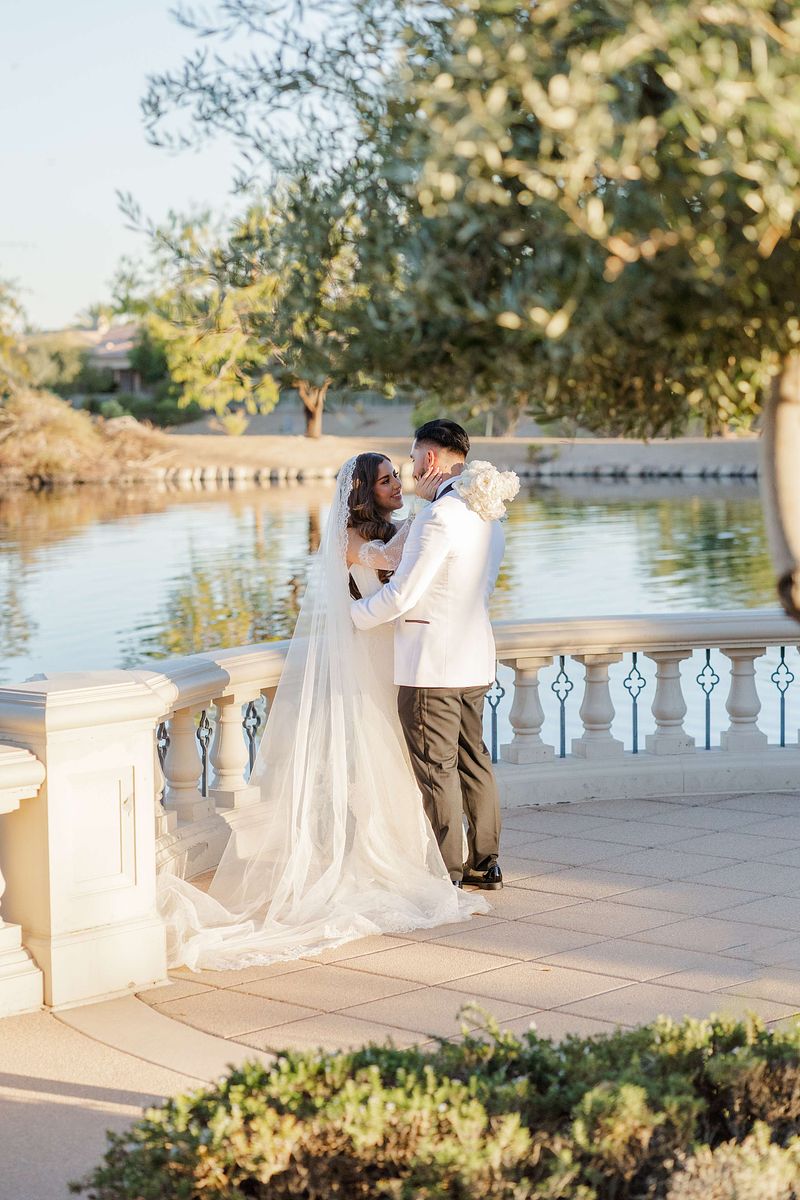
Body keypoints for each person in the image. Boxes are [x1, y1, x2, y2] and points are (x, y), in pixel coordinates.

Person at [157, 451, 488, 971]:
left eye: (398, 476)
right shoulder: (347, 539)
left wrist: (429, 517)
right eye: (386, 480)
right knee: (378, 758)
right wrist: (431, 515)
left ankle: (417, 854)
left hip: (396, 659)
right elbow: (386, 575)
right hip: (369, 658)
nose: (398, 484)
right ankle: (386, 856)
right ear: (362, 490)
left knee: (408, 762)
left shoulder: (400, 528)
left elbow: (414, 566)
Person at [351, 420, 512, 890]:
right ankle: (486, 864)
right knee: (474, 762)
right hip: (473, 658)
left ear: (430, 460)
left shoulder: (439, 517)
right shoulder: (487, 512)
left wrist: (357, 616)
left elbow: (402, 595)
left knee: (436, 769)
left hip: (431, 666)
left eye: (413, 457)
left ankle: (447, 875)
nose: (411, 468)